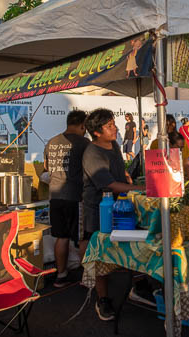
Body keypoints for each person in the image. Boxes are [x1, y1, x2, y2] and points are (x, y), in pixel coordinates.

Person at [81, 109, 145, 321]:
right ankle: (103, 299)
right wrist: (139, 189)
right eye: (109, 126)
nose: (115, 128)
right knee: (102, 254)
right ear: (97, 132)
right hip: (99, 209)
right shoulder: (92, 153)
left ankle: (137, 287)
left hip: (122, 206)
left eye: (113, 124)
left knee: (130, 247)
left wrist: (128, 178)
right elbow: (108, 184)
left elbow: (119, 171)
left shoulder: (114, 145)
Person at [43, 110, 90, 288]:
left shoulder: (52, 142)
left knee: (61, 237)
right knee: (83, 238)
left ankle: (61, 275)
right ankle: (87, 277)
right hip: (75, 197)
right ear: (83, 125)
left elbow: (46, 168)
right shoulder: (84, 143)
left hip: (55, 197)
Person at [150, 114, 189, 179]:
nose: (166, 127)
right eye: (165, 125)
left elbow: (186, 163)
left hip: (177, 178)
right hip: (162, 179)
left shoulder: (181, 141)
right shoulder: (155, 143)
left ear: (173, 125)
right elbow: (153, 165)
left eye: (168, 124)